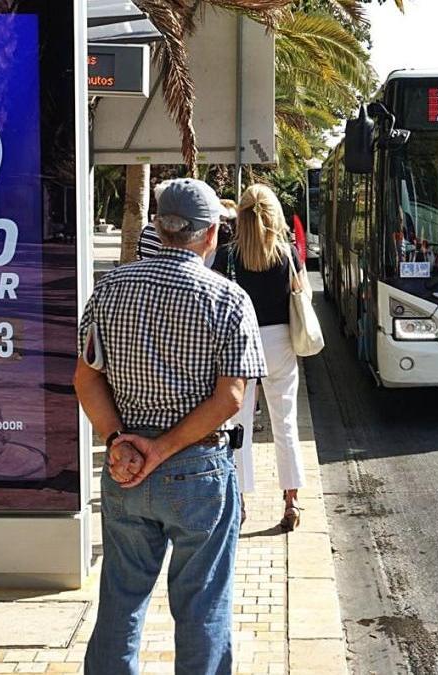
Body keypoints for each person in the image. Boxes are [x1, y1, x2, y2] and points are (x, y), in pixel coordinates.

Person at [76, 178, 267, 675]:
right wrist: (161, 450)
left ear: (158, 229)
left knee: (120, 598)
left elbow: (86, 379)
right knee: (203, 603)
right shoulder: (228, 299)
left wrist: (119, 442)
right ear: (209, 236)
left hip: (126, 472)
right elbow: (230, 396)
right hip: (198, 473)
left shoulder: (109, 290)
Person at [213, 185, 306, 532]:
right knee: (285, 422)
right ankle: (291, 500)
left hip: (241, 343)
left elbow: (218, 300)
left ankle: (239, 502)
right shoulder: (286, 253)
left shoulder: (228, 255)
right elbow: (300, 295)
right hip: (280, 341)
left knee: (238, 427)